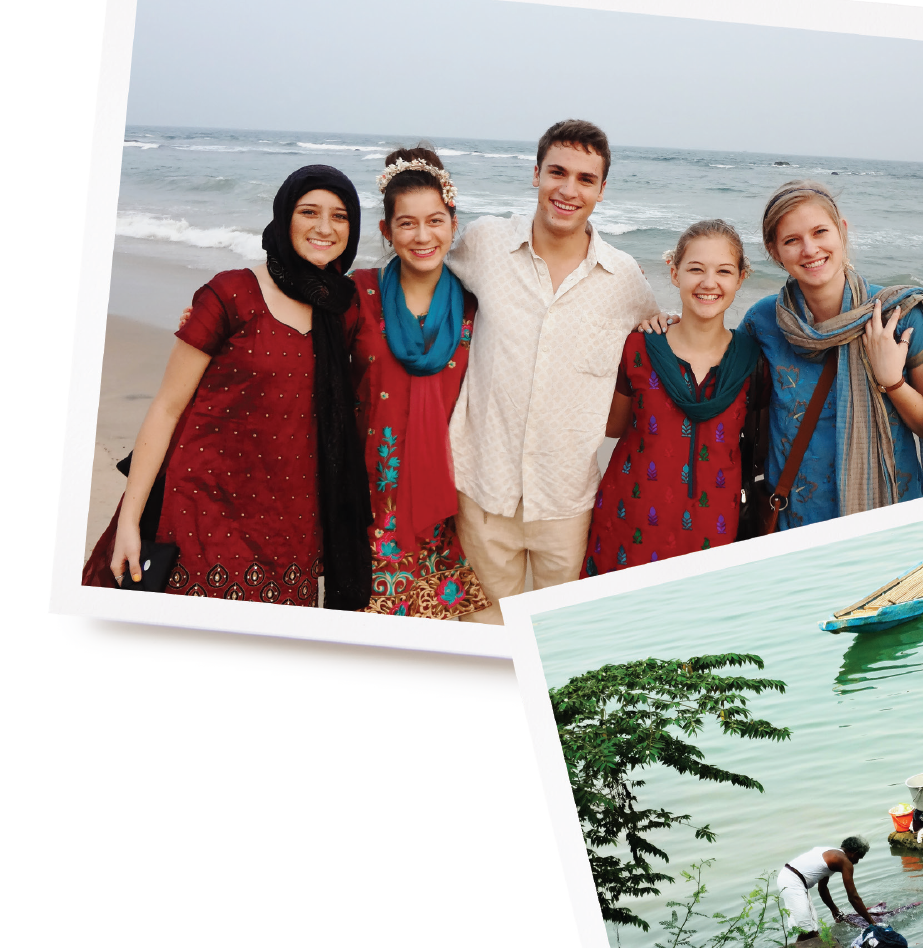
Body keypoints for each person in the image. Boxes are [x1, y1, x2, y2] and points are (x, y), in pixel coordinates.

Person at [82, 164, 374, 608]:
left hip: (290, 520)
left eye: (340, 216)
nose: (324, 227)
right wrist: (129, 522)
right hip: (202, 505)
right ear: (284, 217)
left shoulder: (343, 309)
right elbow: (166, 409)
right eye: (309, 212)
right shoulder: (231, 294)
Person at [647, 180, 923, 529]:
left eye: (819, 232)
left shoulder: (899, 316)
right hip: (791, 521)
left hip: (889, 517)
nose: (809, 249)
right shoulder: (764, 322)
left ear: (841, 231)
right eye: (791, 240)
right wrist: (668, 324)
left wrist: (892, 381)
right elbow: (717, 367)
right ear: (774, 251)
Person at [444, 119, 660, 621]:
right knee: (483, 634)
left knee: (556, 637)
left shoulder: (623, 276)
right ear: (535, 173)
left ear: (602, 191)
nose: (568, 189)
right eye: (557, 172)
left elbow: (656, 335)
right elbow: (421, 268)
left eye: (585, 179)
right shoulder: (485, 242)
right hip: (481, 486)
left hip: (566, 499)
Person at [343, 146, 491, 618]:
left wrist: (658, 319)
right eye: (407, 223)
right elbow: (298, 343)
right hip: (370, 497)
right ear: (387, 231)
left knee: (437, 647)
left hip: (452, 502)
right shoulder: (356, 295)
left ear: (453, 222)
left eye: (435, 221)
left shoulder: (477, 304)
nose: (423, 236)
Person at [580, 220, 766, 576]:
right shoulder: (638, 347)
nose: (709, 282)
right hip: (629, 518)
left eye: (724, 271)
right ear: (674, 273)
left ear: (741, 279)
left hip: (714, 523)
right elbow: (614, 426)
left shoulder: (753, 360)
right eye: (695, 269)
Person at [778, 838, 875, 940]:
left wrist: (834, 910)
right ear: (854, 853)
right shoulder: (844, 861)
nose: (857, 862)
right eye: (858, 858)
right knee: (807, 930)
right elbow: (853, 897)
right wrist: (872, 923)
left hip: (791, 878)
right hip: (792, 882)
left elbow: (822, 888)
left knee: (813, 928)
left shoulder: (830, 854)